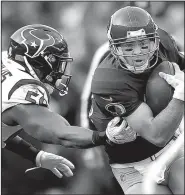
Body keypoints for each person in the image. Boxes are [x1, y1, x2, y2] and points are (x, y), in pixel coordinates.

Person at [81, 6, 184, 194]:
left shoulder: (165, 42)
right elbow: (156, 135)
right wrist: (181, 95)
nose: (138, 52)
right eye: (129, 46)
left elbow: (181, 64)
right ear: (114, 47)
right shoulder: (108, 80)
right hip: (133, 166)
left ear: (155, 40)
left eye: (144, 45)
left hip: (173, 151)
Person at [1, 24, 124, 177]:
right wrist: (105, 136)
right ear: (39, 61)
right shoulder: (21, 89)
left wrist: (35, 155)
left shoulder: (7, 59)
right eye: (57, 62)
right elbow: (62, 134)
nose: (61, 70)